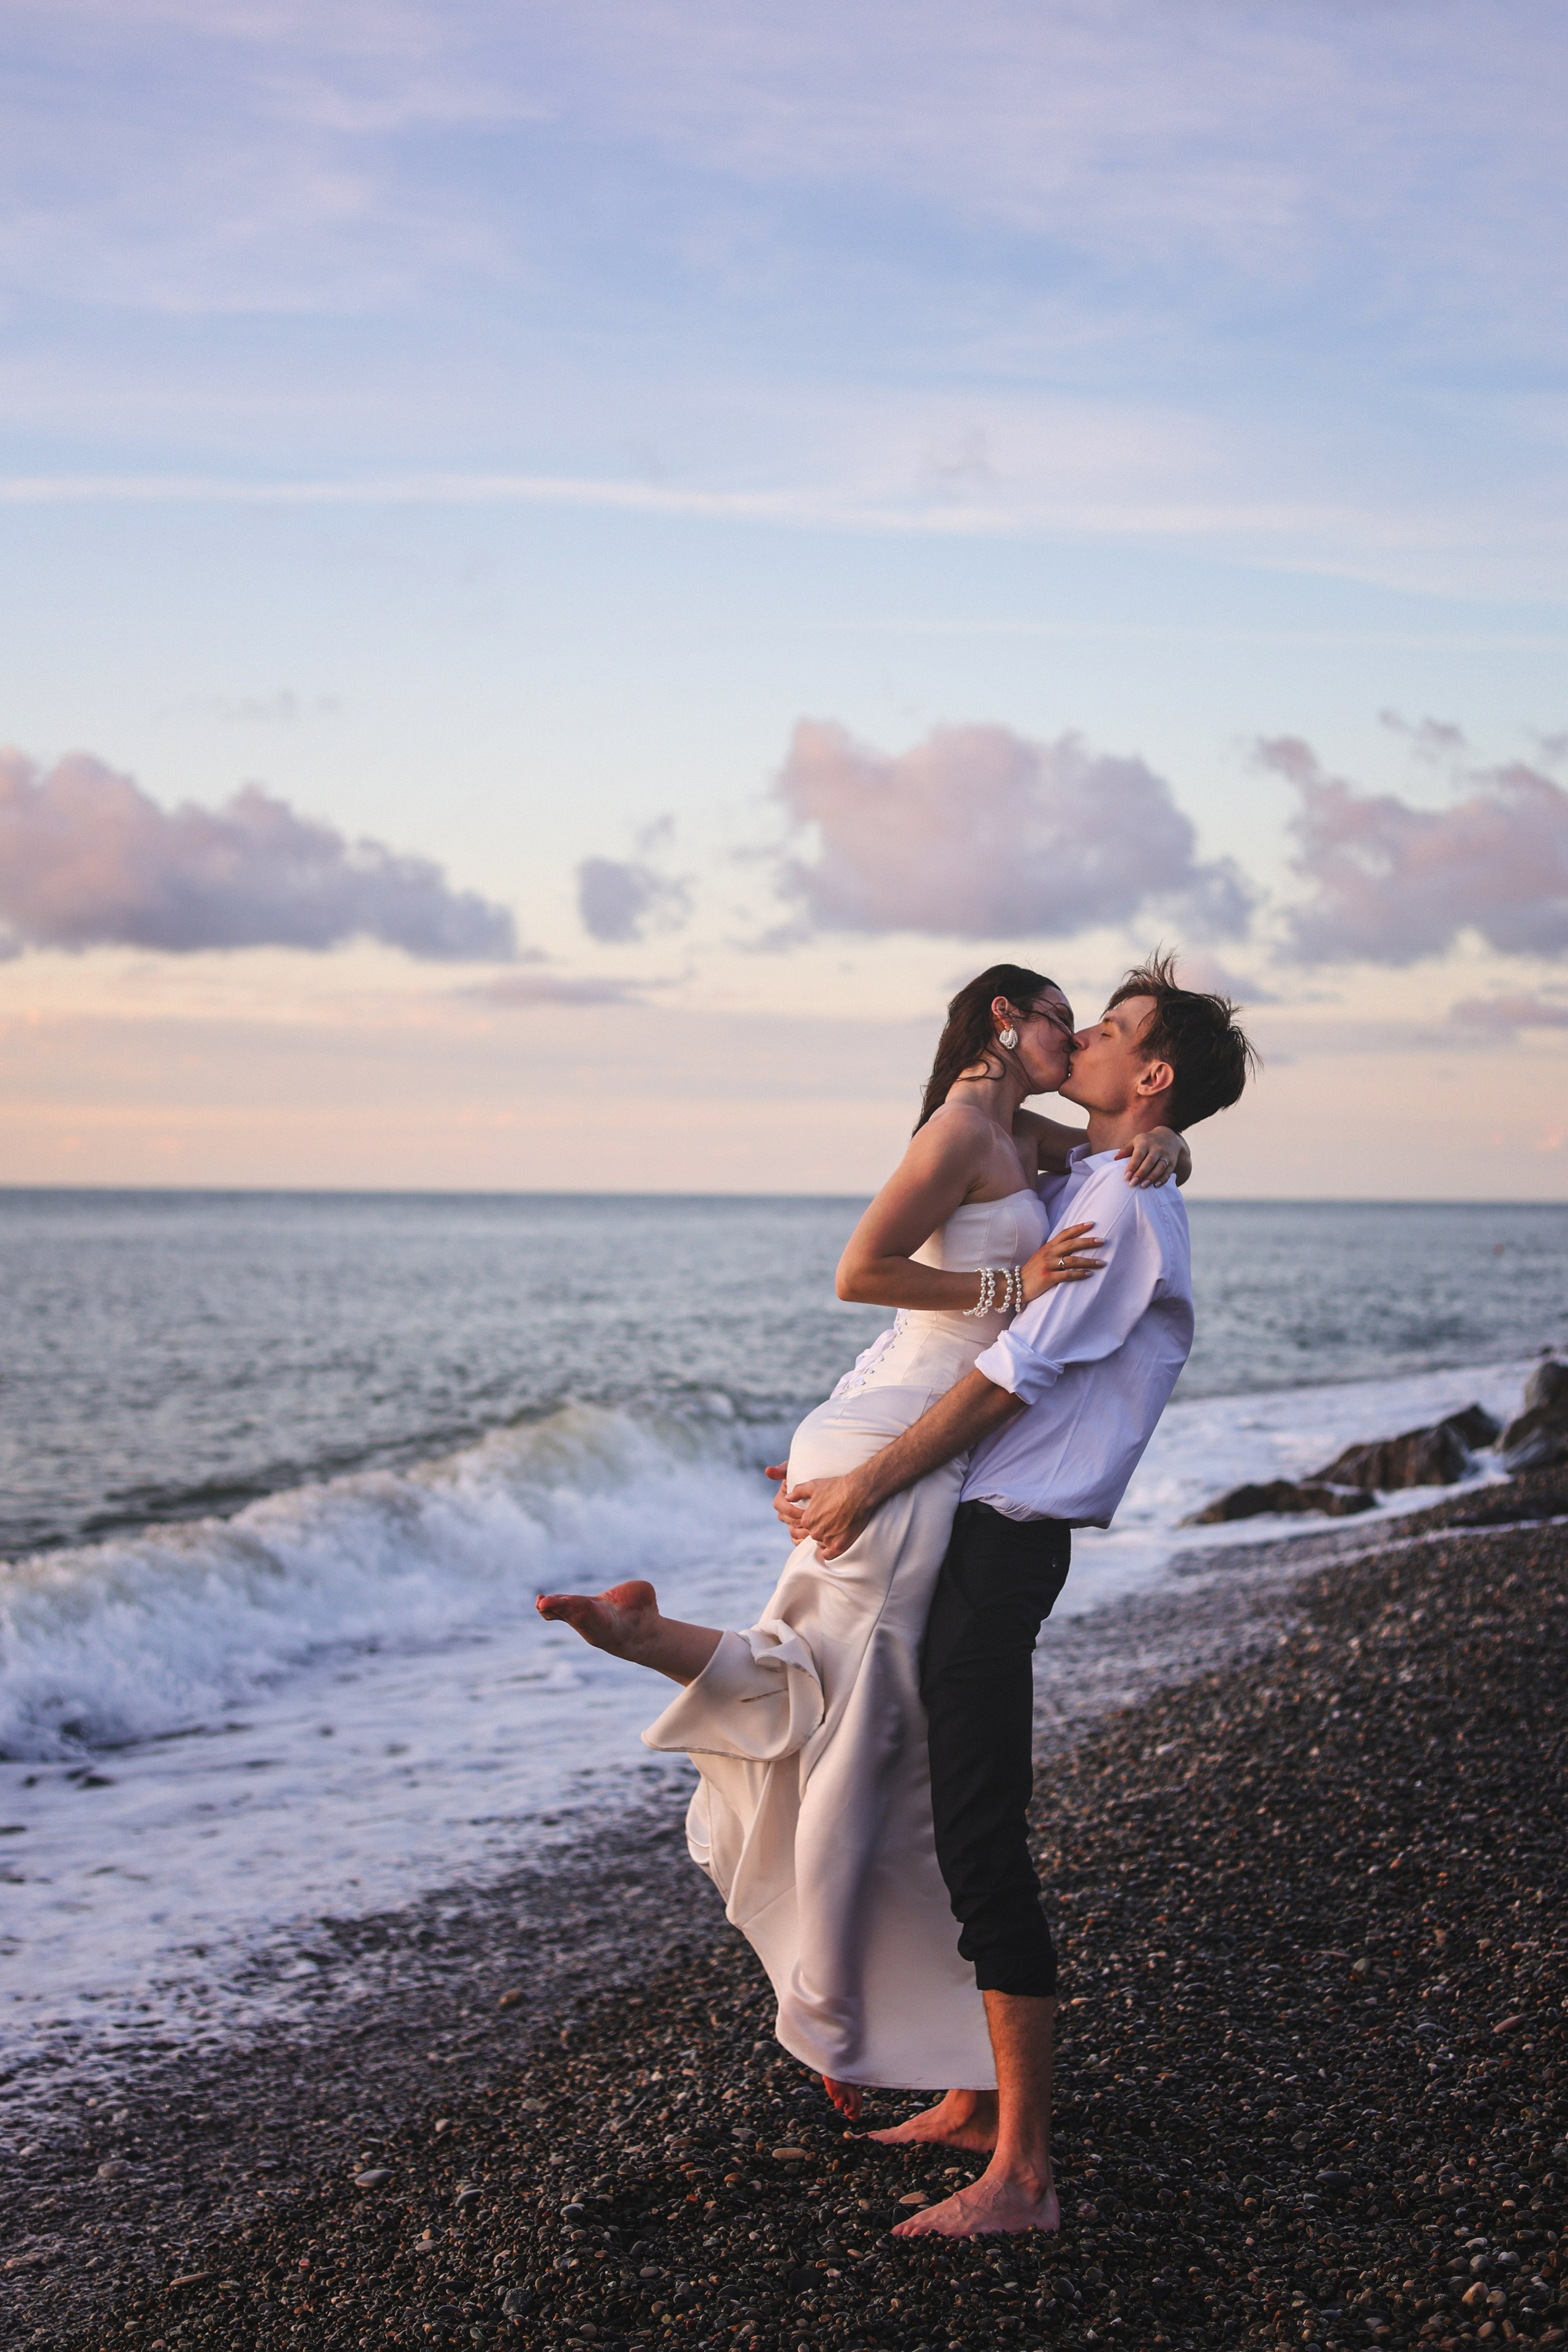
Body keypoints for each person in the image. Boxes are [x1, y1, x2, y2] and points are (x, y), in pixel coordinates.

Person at [536, 962, 1186, 2112]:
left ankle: (655, 1638)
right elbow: (860, 1274)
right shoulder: (958, 1135)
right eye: (1059, 1017)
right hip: (900, 1442)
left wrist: (1174, 1143)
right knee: (861, 1742)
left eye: (1096, 1026)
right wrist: (1014, 1281)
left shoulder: (1019, 1134)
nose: (1075, 1033)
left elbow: (1113, 1160)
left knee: (851, 1705)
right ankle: (834, 2013)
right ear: (1006, 1019)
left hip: (894, 1433)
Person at [778, 954, 1255, 2237]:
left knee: (981, 1828)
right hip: (978, 1520)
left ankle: (1023, 2175)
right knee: (944, 1797)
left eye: (1108, 1029)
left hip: (1005, 1539)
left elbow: (1006, 1377)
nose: (1086, 1036)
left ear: (1145, 1075)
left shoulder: (1120, 1211)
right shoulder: (1099, 1176)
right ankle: (976, 2099)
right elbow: (1016, 1167)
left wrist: (864, 1484)